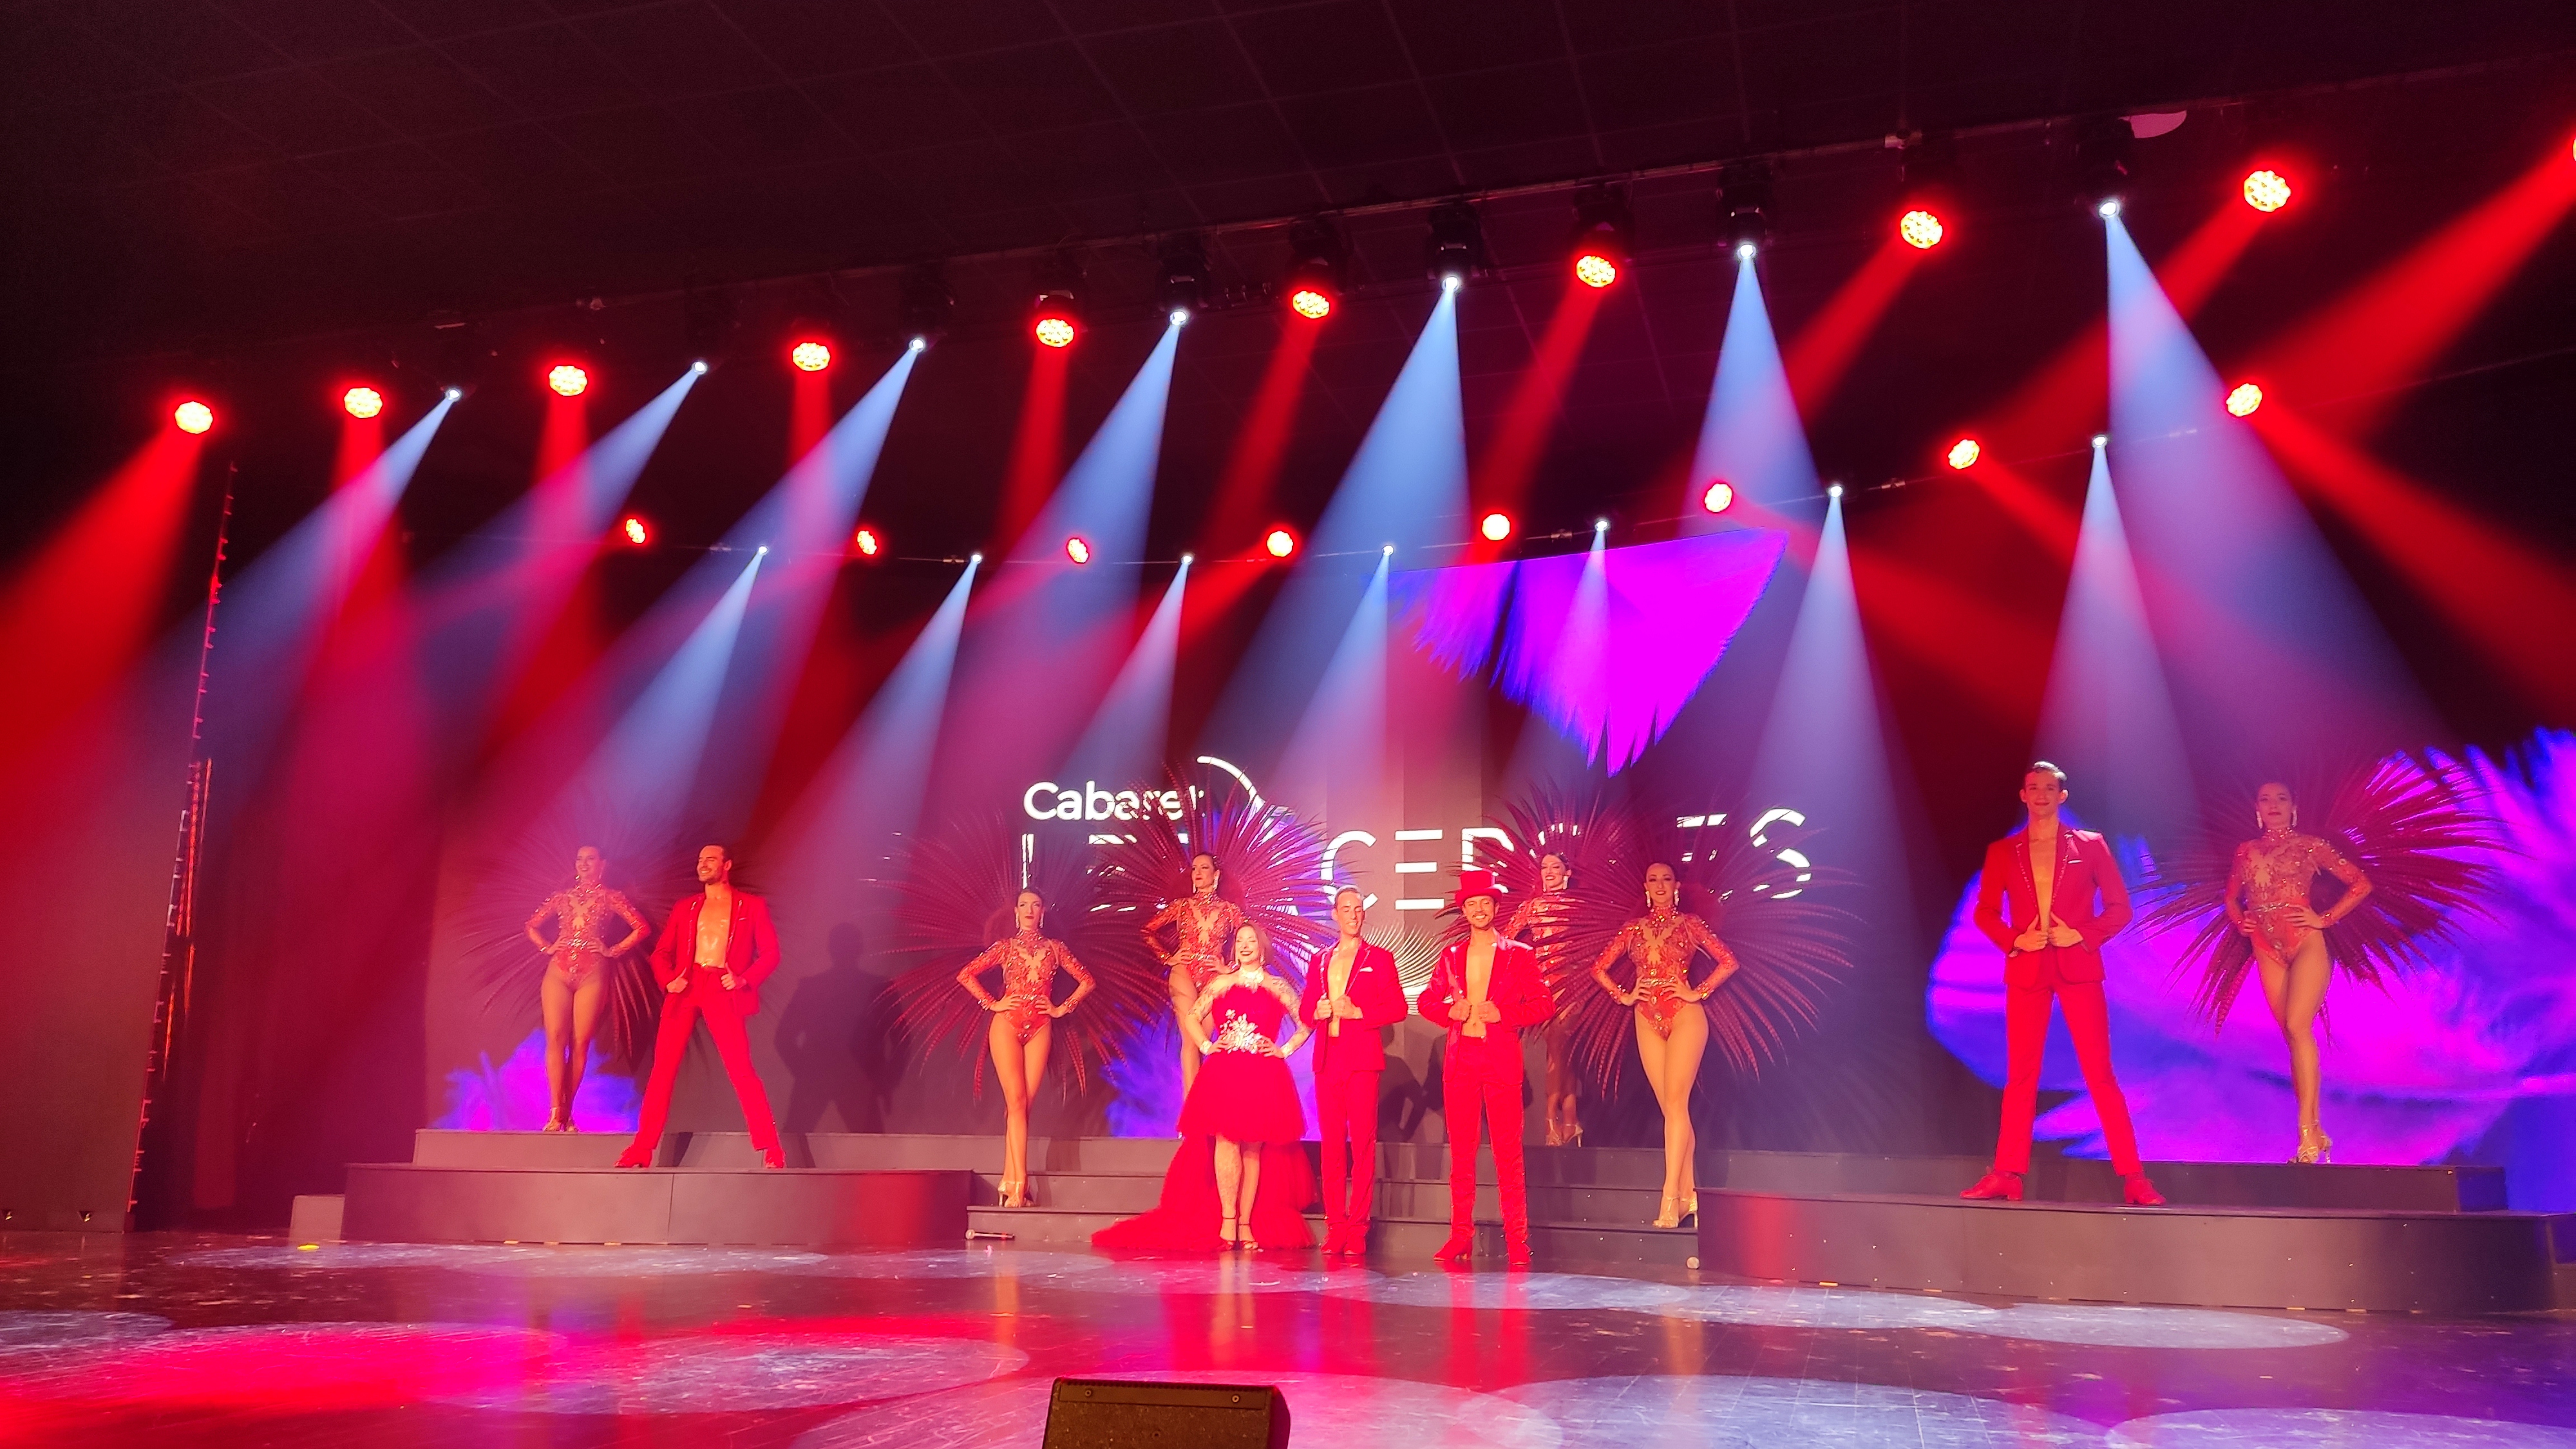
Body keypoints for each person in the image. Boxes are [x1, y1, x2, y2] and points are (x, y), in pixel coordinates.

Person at [1961, 764, 2163, 1206]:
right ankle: (2007, 1173)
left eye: (2049, 789)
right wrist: (2015, 940)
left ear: (2062, 796)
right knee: (2021, 1077)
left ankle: (2134, 1178)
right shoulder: (2004, 851)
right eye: (2033, 788)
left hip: (2078, 967)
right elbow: (1985, 912)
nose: (2041, 795)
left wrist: (2082, 934)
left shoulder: (2089, 845)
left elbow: (2119, 908)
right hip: (2028, 968)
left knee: (2099, 1074)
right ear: (2023, 795)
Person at [1094, 923, 1314, 1251]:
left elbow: (1306, 1022)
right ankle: (1228, 1221)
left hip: (1263, 1074)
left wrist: (1284, 1050)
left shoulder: (1278, 986)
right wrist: (1206, 1045)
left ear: (1262, 947)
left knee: (1253, 1149)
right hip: (1225, 1073)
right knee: (1226, 1142)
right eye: (1240, 941)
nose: (1245, 945)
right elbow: (1192, 1017)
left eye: (1251, 941)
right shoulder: (1221, 983)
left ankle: (1245, 1223)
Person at [2226, 782, 2374, 1164]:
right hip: (2265, 949)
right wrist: (2240, 920)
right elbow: (2231, 897)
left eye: (2281, 799)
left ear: (2294, 807)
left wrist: (2324, 918)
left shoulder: (2310, 846)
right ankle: (2318, 1130)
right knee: (2293, 1038)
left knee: (2296, 1026)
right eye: (2265, 799)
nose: (2273, 805)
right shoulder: (2245, 851)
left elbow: (2361, 883)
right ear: (2257, 809)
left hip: (2305, 942)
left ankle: (2307, 1133)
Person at [1588, 862, 1741, 1228]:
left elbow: (1728, 961)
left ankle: (1669, 1197)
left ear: (1676, 886)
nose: (1659, 885)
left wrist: (1697, 992)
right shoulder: (1633, 929)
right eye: (1653, 880)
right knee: (1674, 1111)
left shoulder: (1690, 924)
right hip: (1645, 1017)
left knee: (1675, 1107)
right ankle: (1690, 1196)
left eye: (1666, 879)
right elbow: (1598, 968)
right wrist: (1624, 996)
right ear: (1646, 886)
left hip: (1685, 1015)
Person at [617, 844, 788, 1170]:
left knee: (741, 1069)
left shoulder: (750, 906)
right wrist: (669, 980)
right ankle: (642, 1149)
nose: (703, 864)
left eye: (710, 859)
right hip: (687, 985)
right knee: (663, 1070)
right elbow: (661, 953)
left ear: (727, 865)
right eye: (700, 860)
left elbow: (771, 953)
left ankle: (771, 1147)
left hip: (721, 987)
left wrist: (744, 979)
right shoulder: (687, 907)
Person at [1420, 869, 1555, 1267]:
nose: (1479, 910)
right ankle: (1460, 1236)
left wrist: (1505, 1014)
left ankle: (1517, 1239)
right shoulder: (1452, 956)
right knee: (1462, 1156)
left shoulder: (1518, 954)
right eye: (1472, 904)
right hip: (1461, 1061)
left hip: (1500, 1060)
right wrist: (1450, 1011)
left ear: (1496, 908)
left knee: (1507, 1156)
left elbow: (1544, 1004)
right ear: (1464, 911)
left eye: (1485, 903)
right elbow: (1427, 1001)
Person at [956, 887, 1095, 1206]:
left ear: (1043, 912)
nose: (1030, 910)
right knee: (1017, 1102)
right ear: (1016, 913)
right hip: (1007, 1025)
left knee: (1022, 1107)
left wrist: (1062, 1008)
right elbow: (966, 975)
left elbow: (1087, 981)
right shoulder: (1005, 948)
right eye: (1024, 905)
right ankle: (1020, 1186)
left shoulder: (1056, 949)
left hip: (1041, 1027)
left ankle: (1008, 1181)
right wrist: (992, 1003)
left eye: (1036, 905)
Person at [1296, 886, 1407, 1256]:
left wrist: (1360, 1012)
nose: (1353, 915)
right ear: (1335, 914)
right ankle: (1336, 1226)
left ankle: (1358, 1227)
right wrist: (1317, 1012)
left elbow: (1398, 1007)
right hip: (1328, 1060)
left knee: (1362, 1145)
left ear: (1364, 914)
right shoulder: (1321, 960)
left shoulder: (1380, 958)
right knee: (1331, 1147)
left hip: (1362, 1060)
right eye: (1346, 909)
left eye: (1358, 909)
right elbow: (1306, 1010)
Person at [522, 845, 649, 1133]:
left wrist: (613, 950)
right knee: (556, 1038)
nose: (584, 864)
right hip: (558, 971)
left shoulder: (611, 897)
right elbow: (531, 925)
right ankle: (555, 1113)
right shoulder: (562, 898)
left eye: (590, 859)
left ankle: (568, 1113)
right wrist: (547, 947)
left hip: (593, 972)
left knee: (580, 1042)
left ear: (602, 864)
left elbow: (641, 928)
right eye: (579, 859)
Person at [1142, 851, 1245, 1098]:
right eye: (1195, 868)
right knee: (1190, 1041)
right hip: (1183, 973)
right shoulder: (1181, 906)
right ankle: (1191, 1112)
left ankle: (1205, 1104)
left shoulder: (1230, 911)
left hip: (1214, 978)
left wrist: (1230, 968)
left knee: (1204, 1043)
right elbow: (1147, 931)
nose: (1198, 873)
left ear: (1216, 875)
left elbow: (1251, 940)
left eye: (1204, 868)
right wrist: (1167, 957)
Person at [1503, 850, 1584, 1148]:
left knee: (1559, 1048)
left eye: (1556, 867)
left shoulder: (1578, 906)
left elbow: (1593, 942)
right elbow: (1506, 940)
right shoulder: (1532, 906)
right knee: (1560, 1050)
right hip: (1542, 986)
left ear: (1567, 873)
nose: (1549, 871)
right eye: (1545, 867)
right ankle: (1571, 1118)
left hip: (1571, 984)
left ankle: (1550, 1117)